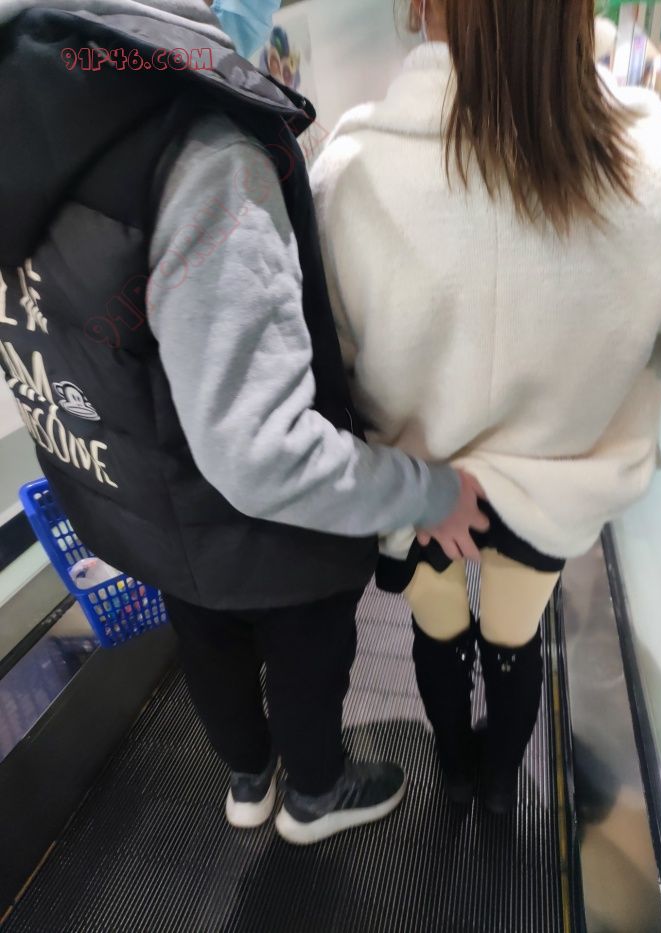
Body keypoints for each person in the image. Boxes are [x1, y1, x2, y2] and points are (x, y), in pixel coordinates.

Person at [0, 0, 489, 845]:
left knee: (208, 642)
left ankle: (248, 777)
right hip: (270, 530)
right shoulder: (201, 152)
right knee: (307, 652)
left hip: (153, 509)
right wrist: (427, 491)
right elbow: (262, 455)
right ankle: (315, 794)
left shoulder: (31, 126)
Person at [311, 0, 661, 813]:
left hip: (418, 490)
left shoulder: (347, 173)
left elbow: (330, 362)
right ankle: (497, 790)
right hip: (554, 493)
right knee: (515, 639)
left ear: (421, 6)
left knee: (437, 631)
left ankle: (454, 772)